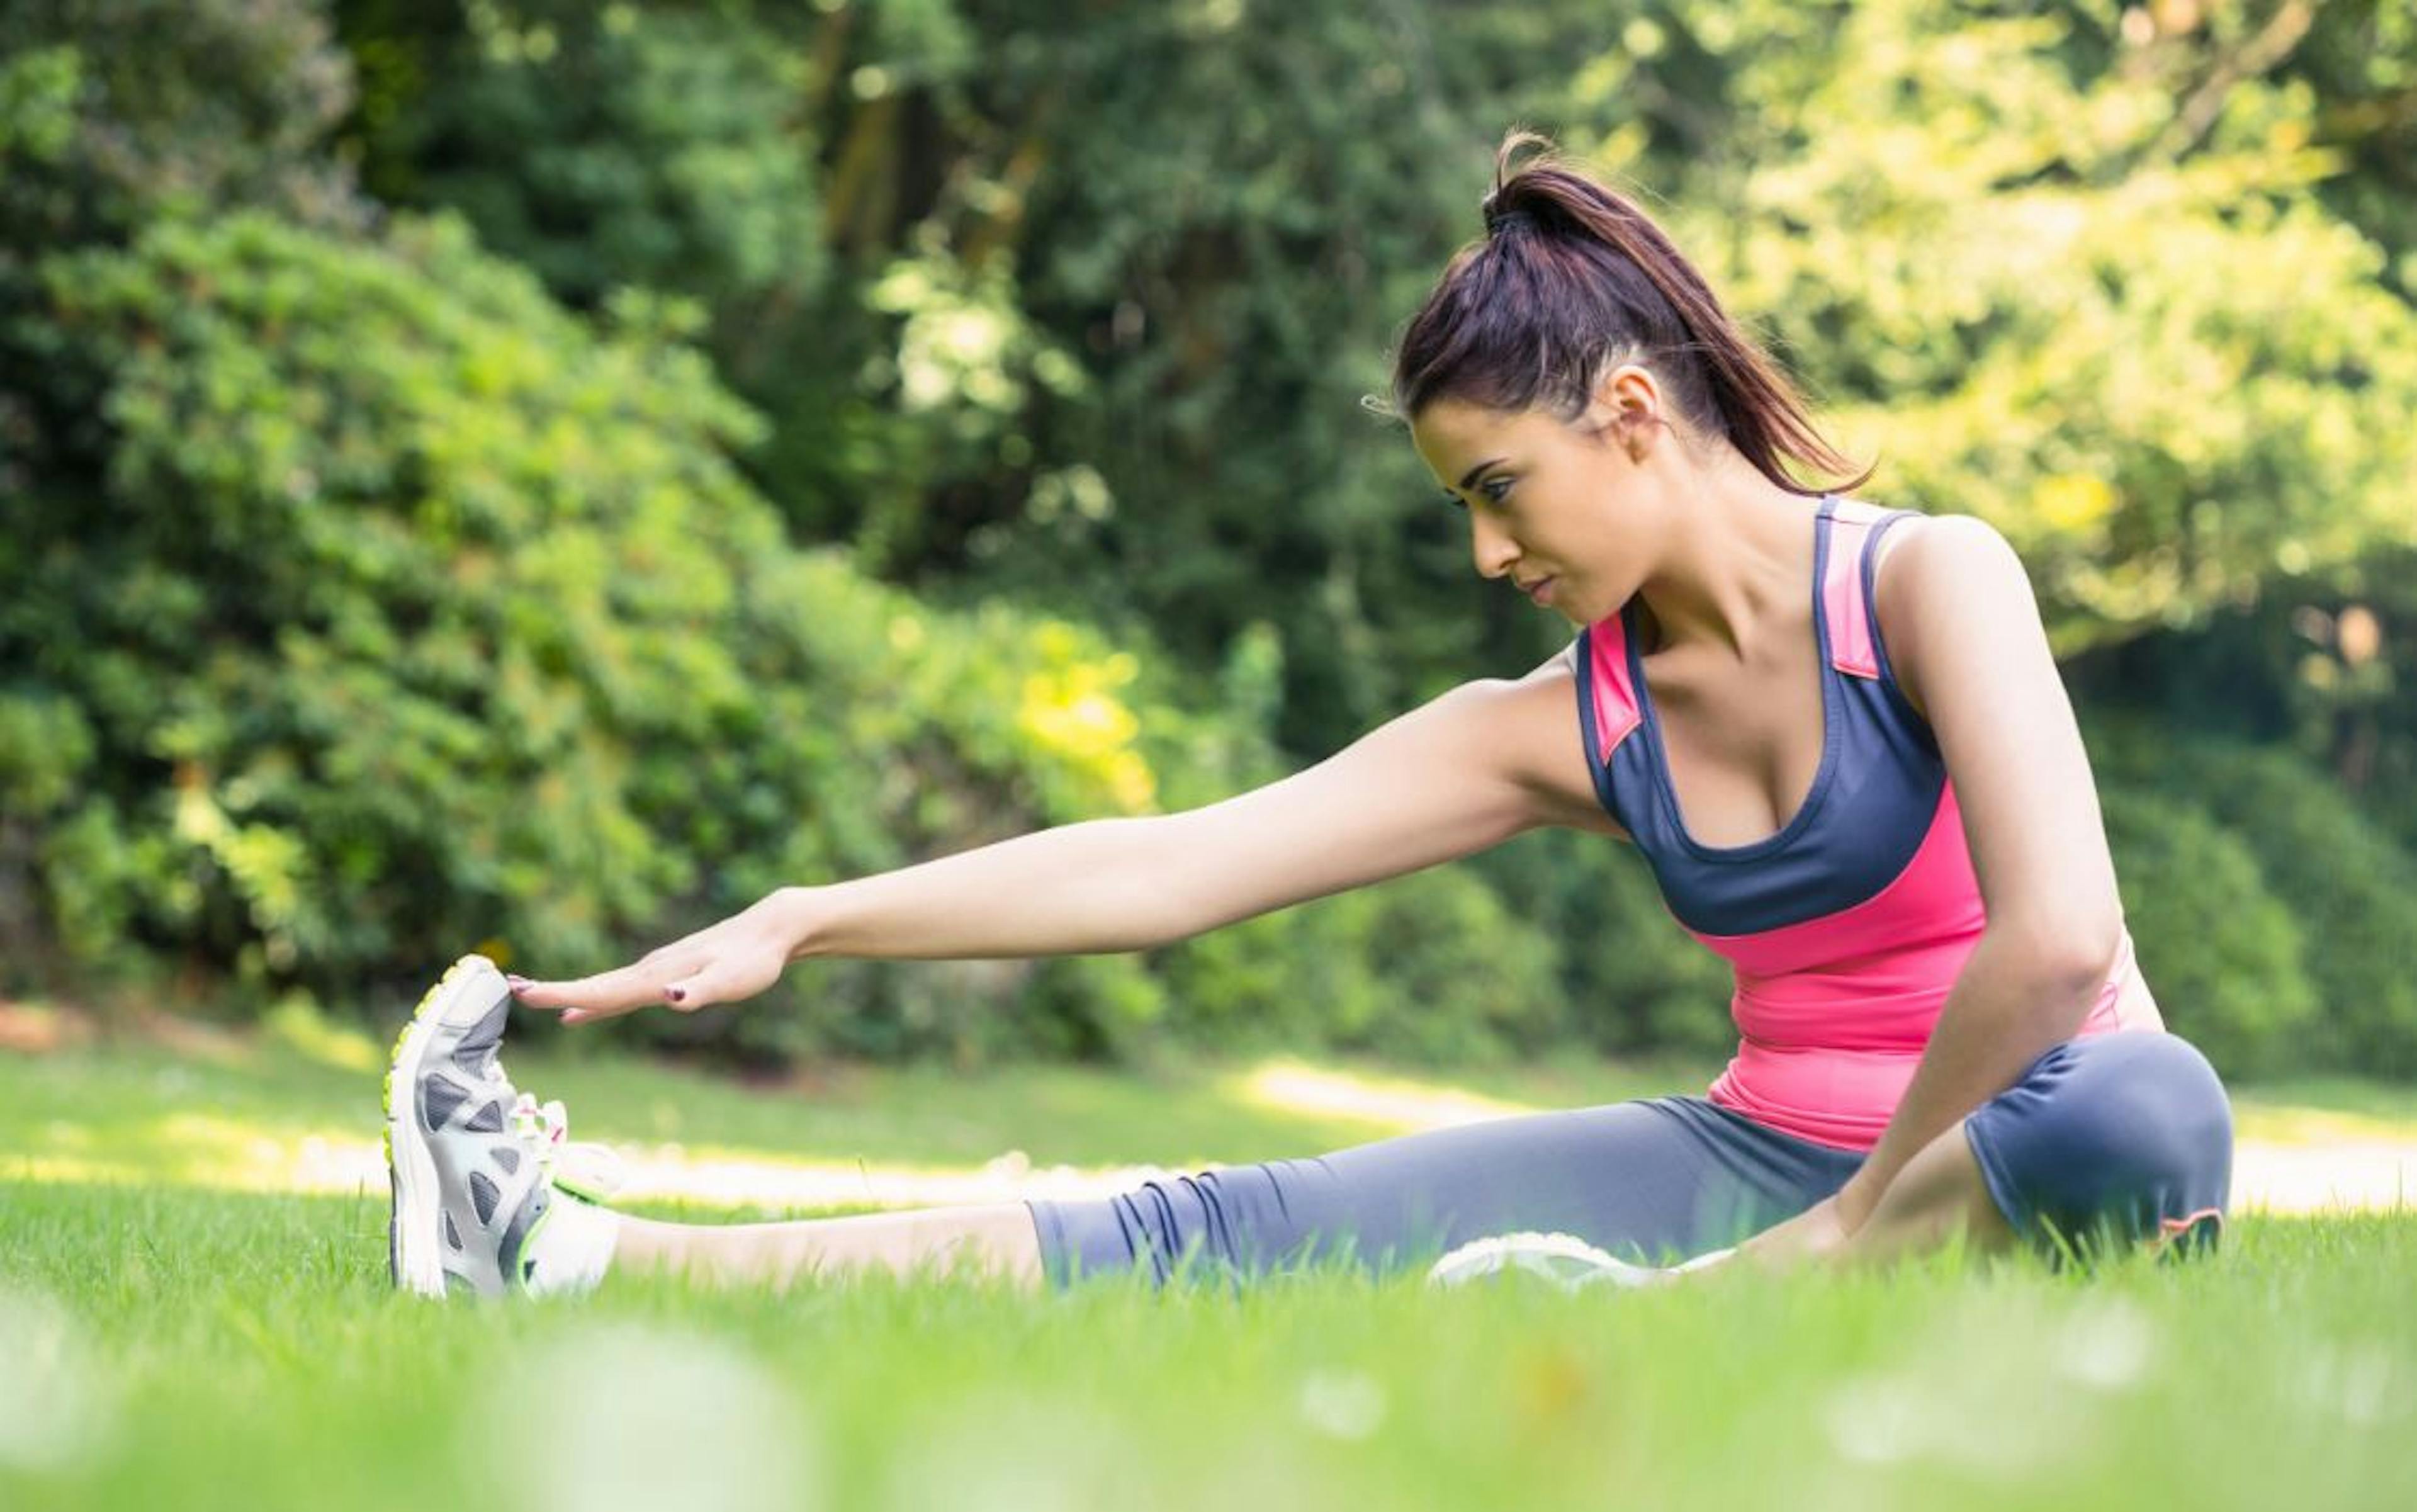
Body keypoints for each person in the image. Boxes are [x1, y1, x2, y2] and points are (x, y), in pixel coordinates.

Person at [382, 132, 2233, 1302]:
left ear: (1635, 412)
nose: (1493, 550)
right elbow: (1174, 866)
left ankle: (1771, 1289)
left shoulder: (1926, 583)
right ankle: (571, 1255)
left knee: (2149, 1101)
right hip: (1756, 1149)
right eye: (1467, 510)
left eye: (1504, 488)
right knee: (1231, 1220)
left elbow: (2063, 942)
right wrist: (813, 915)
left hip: (2021, 1143)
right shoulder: (1569, 721)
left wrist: (1841, 1228)